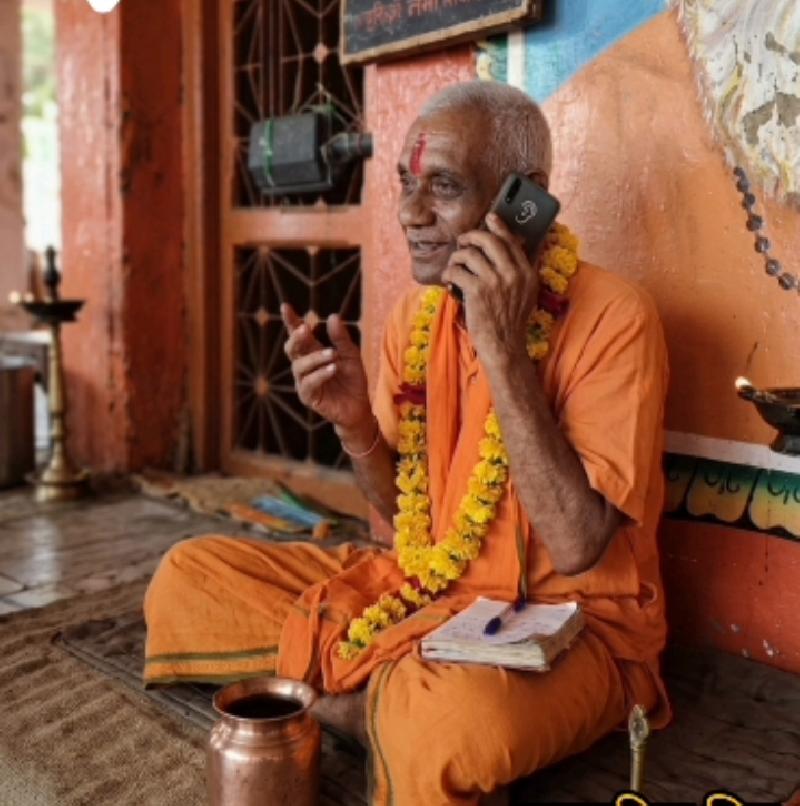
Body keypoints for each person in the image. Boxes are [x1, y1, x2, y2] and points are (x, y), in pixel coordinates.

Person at [144, 80, 670, 805]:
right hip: (424, 592)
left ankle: (349, 704)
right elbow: (405, 529)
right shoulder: (413, 321)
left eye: (443, 187)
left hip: (571, 634)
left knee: (457, 719)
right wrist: (355, 424)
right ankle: (372, 709)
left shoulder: (617, 319)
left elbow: (579, 545)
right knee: (187, 575)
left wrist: (506, 352)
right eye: (404, 184)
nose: (410, 214)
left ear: (525, 197)